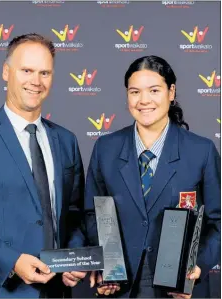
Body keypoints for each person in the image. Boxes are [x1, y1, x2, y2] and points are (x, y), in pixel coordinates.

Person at [0, 33, 86, 298]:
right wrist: (11, 261)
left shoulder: (66, 140)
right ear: (6, 72)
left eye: (45, 73)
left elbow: (74, 214)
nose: (36, 81)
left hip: (56, 292)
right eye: (27, 70)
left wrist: (73, 258)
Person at [84, 56, 221, 298]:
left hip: (179, 289)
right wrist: (104, 262)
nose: (144, 100)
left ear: (171, 92)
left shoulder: (201, 150)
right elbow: (92, 213)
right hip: (121, 286)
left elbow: (219, 221)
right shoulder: (106, 148)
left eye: (154, 90)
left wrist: (197, 265)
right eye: (135, 92)